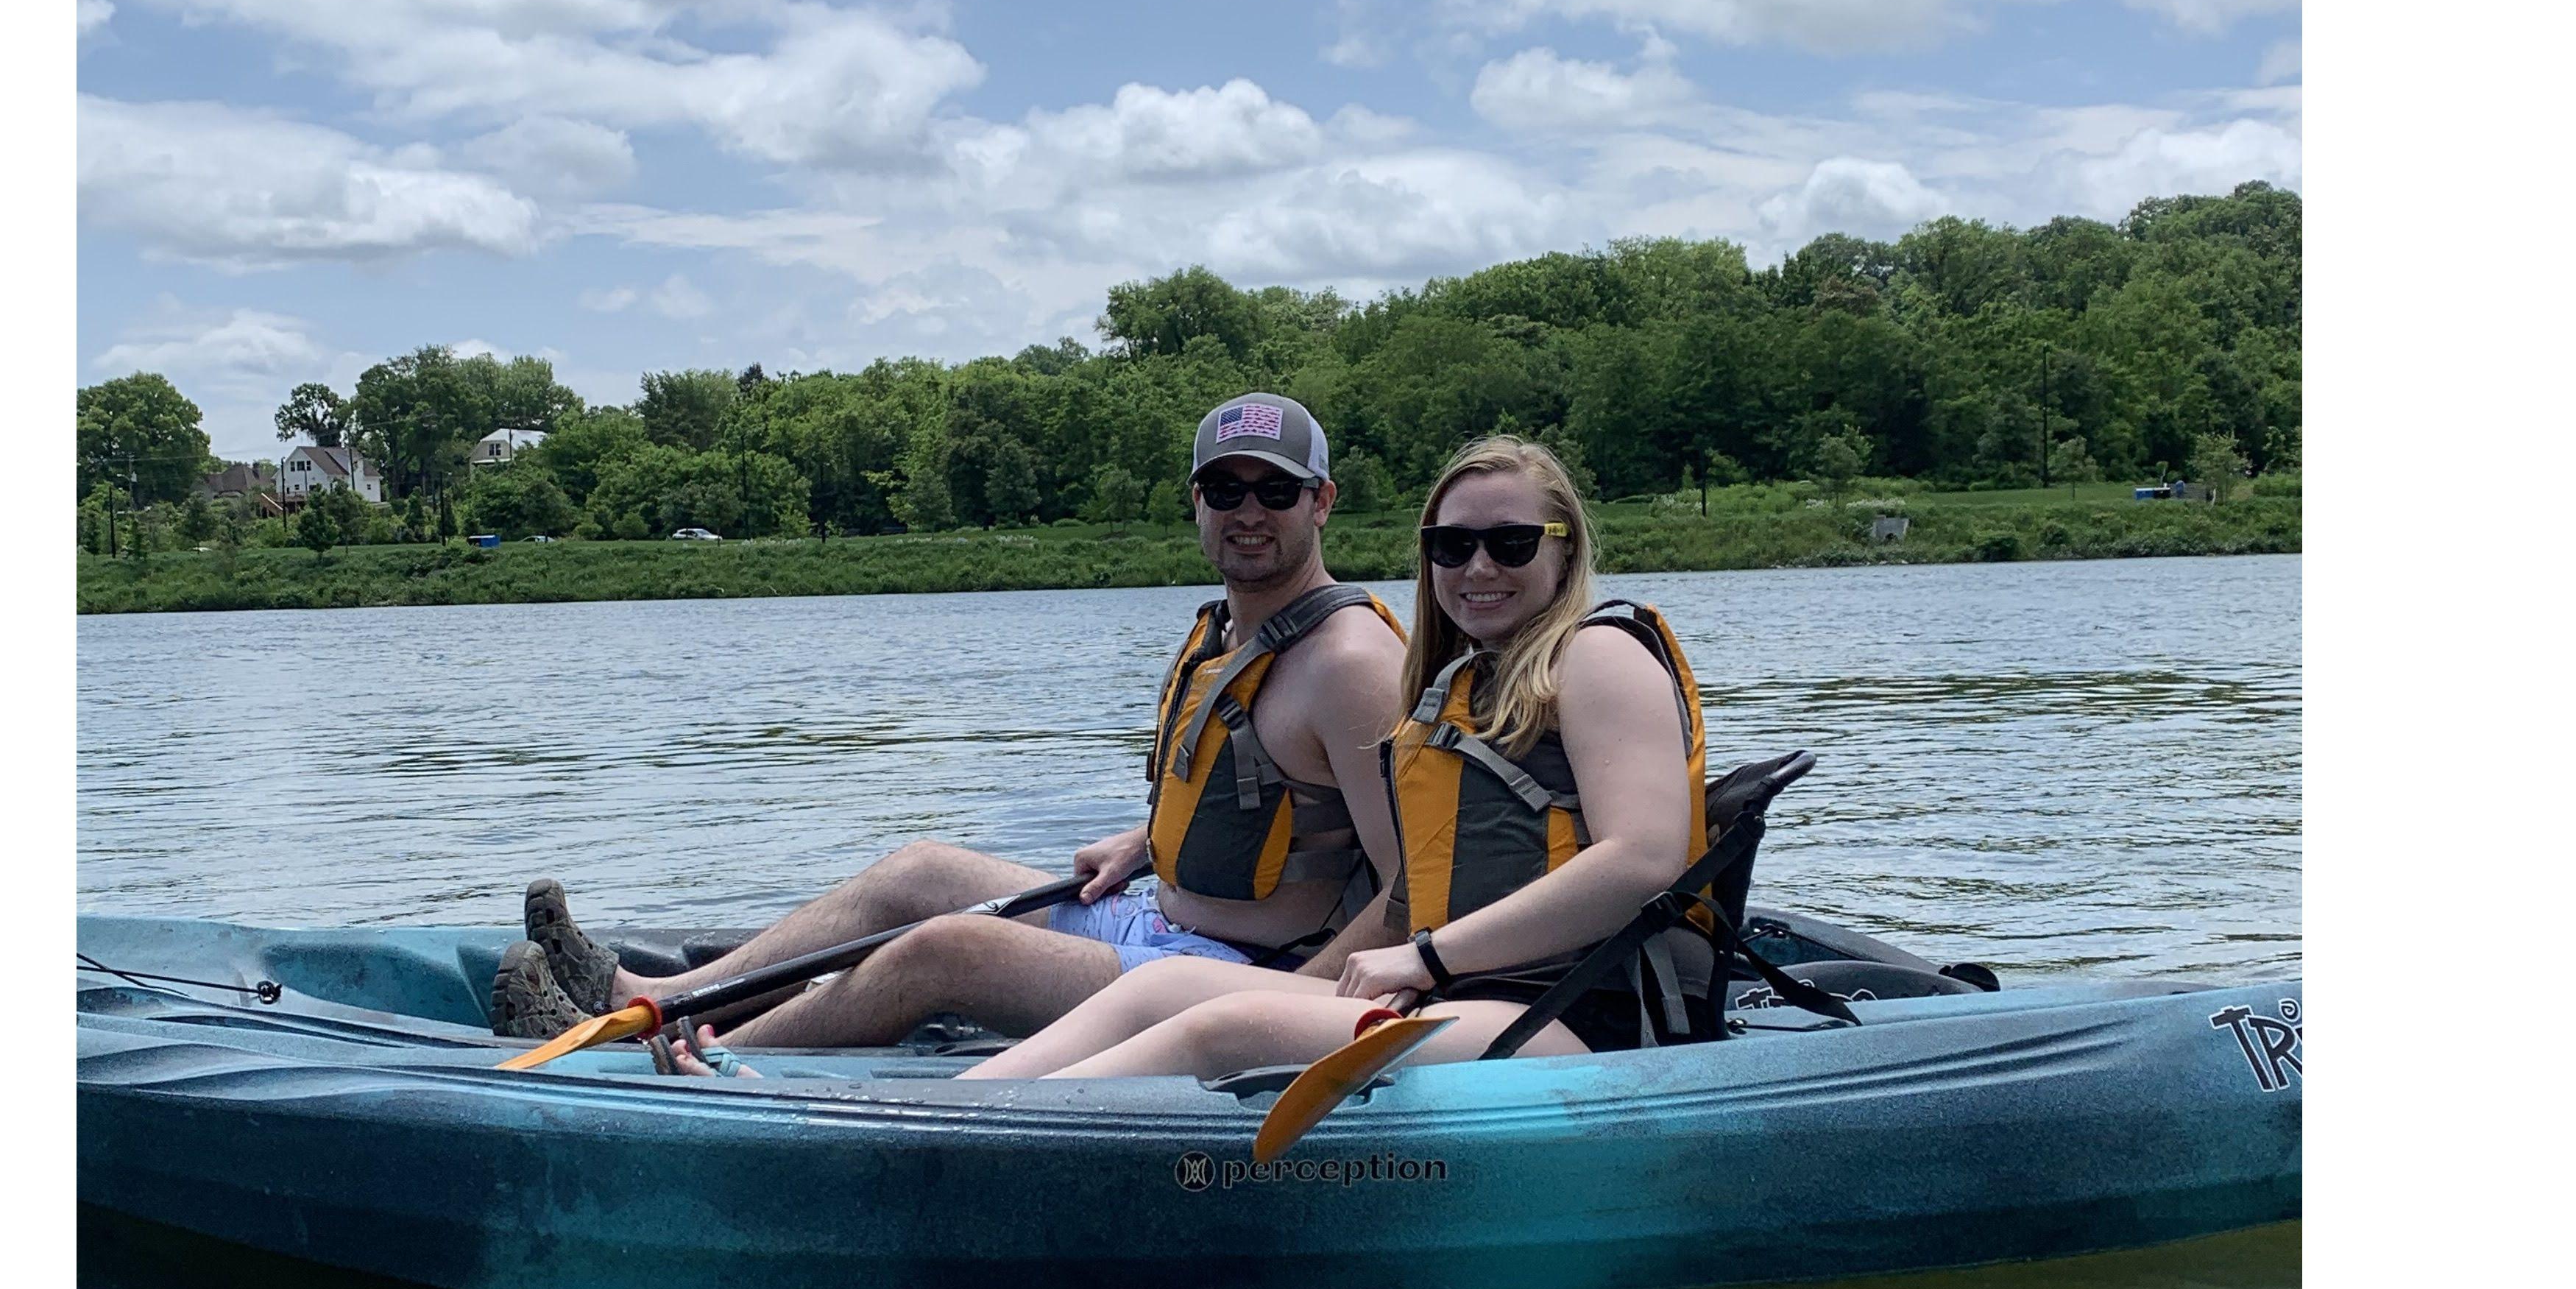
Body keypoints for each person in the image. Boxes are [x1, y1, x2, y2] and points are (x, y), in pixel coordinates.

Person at [492, 393, 1409, 1049]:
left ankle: (690, 1060)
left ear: (1321, 502)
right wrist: (1146, 839)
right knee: (921, 872)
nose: (1249, 513)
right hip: (1155, 921)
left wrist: (1299, 997)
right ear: (1197, 503)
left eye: (1276, 492)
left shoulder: (1350, 663)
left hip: (1239, 970)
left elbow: (1413, 879)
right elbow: (1270, 798)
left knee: (944, 952)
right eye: (1226, 491)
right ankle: (646, 994)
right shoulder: (1229, 634)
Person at [961, 434, 1707, 1085]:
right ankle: (945, 1110)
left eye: (1511, 543)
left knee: (1224, 1028)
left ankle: (972, 1147)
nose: (1479, 566)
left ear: (1563, 546)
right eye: (1452, 545)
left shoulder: (1599, 655)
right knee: (1165, 988)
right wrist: (1144, 842)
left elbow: (1641, 859)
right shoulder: (1466, 684)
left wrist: (1428, 960)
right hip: (1461, 997)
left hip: (1569, 1020)